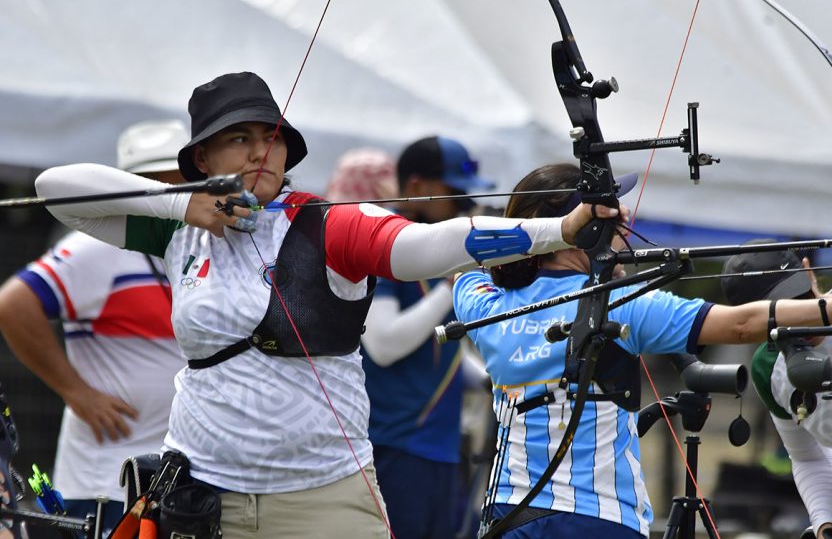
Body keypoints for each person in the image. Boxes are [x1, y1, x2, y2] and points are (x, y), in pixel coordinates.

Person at [31, 71, 623, 538]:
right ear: (203, 160)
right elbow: (54, 187)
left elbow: (427, 246)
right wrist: (181, 206)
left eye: (271, 137)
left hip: (322, 497)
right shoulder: (176, 233)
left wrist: (562, 230)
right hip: (203, 495)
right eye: (239, 138)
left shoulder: (330, 225)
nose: (261, 150)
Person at [451, 163, 832, 539]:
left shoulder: (481, 301)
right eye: (608, 218)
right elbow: (740, 323)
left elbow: (466, 259)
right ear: (583, 233)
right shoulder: (622, 304)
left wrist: (577, 251)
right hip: (597, 521)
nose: (624, 226)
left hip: (509, 515)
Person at [0, 120, 188, 532]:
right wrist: (75, 391)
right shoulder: (95, 248)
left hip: (175, 472)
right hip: (105, 480)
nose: (167, 189)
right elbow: (13, 303)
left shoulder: (196, 242)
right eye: (153, 179)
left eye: (176, 178)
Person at [360, 136, 494, 539]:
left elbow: (442, 349)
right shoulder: (377, 241)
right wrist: (451, 287)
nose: (463, 206)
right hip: (396, 447)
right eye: (454, 194)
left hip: (438, 447)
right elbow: (381, 346)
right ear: (417, 188)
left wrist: (494, 378)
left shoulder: (436, 256)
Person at [721, 244, 832, 539]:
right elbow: (807, 457)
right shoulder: (768, 368)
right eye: (781, 310)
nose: (800, 315)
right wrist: (825, 522)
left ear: (809, 271)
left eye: (802, 296)